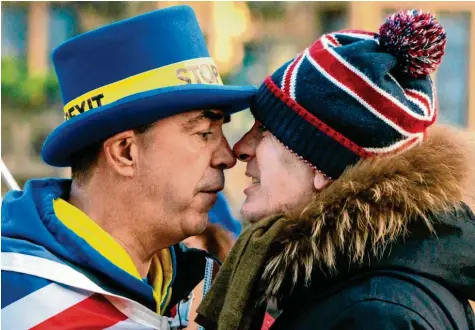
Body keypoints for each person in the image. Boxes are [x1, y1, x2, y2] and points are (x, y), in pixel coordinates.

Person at [196, 9, 475, 330]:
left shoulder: (374, 314)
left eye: (265, 130)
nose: (240, 149)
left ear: (325, 166)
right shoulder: (357, 288)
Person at [1, 5, 257, 330]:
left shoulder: (176, 282)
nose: (227, 156)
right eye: (204, 133)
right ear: (124, 152)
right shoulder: (17, 303)